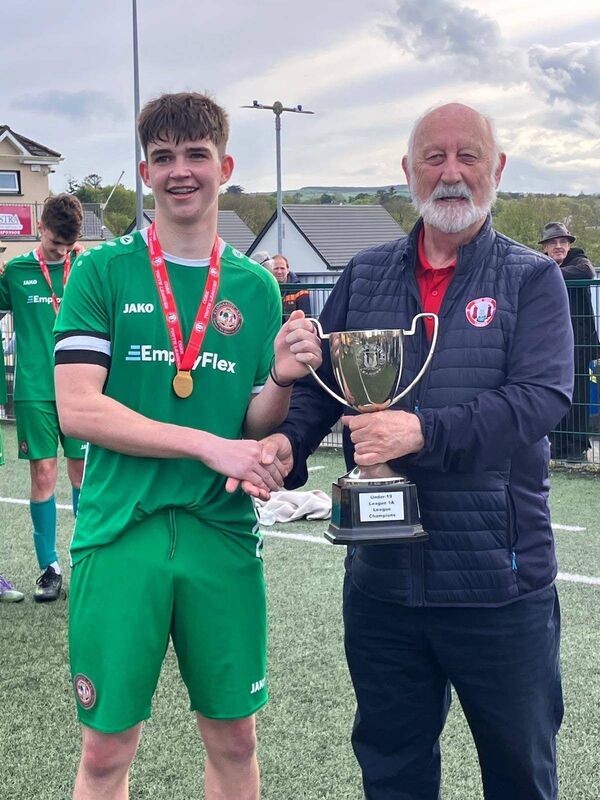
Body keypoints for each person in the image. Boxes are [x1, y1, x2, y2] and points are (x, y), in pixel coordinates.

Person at [261, 103, 573, 800]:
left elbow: (540, 399)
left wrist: (422, 431)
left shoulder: (532, 279)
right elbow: (323, 392)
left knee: (521, 776)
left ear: (496, 170)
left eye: (468, 157)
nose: (451, 173)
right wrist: (286, 441)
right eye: (434, 157)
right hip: (383, 586)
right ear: (408, 172)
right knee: (393, 772)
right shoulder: (364, 275)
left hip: (498, 585)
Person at [54, 91, 321, 800]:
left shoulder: (256, 287)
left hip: (219, 533)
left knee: (235, 738)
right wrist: (208, 445)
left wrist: (285, 383)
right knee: (107, 751)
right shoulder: (102, 271)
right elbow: (77, 409)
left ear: (223, 165)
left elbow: (257, 422)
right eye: (164, 157)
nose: (181, 172)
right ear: (145, 170)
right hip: (120, 532)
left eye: (196, 155)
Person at [0, 195, 86, 602]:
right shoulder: (16, 272)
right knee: (44, 475)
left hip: (85, 390)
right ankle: (49, 568)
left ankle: (87, 558)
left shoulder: (85, 267)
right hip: (35, 390)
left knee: (83, 474)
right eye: (55, 245)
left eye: (67, 247)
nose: (61, 252)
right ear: (41, 230)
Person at [540, 222, 599, 462]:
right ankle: (559, 443)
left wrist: (547, 274)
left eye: (563, 241)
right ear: (544, 247)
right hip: (550, 343)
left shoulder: (579, 260)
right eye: (553, 242)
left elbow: (587, 273)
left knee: (579, 393)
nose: (559, 246)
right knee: (552, 392)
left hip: (579, 343)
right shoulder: (541, 265)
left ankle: (576, 446)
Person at [271, 254, 311, 321]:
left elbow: (306, 317)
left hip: (293, 328)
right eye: (276, 268)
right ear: (270, 270)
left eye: (282, 268)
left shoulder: (300, 290)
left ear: (288, 270)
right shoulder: (266, 290)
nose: (279, 272)